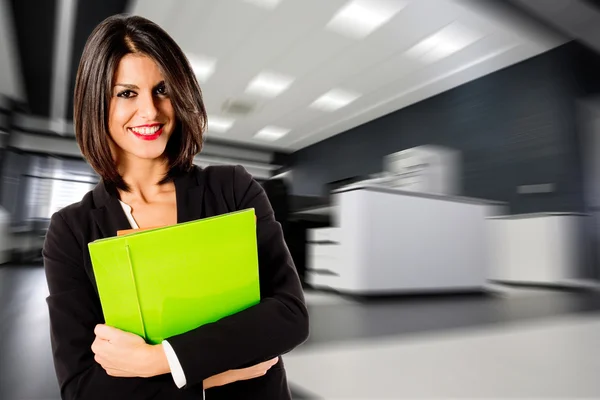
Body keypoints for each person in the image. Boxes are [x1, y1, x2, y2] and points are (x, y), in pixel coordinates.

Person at [42, 14, 309, 400]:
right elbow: (83, 388)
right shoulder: (71, 231)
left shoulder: (232, 189)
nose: (150, 111)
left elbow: (288, 317)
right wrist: (215, 375)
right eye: (127, 93)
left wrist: (158, 360)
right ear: (96, 102)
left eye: (162, 89)